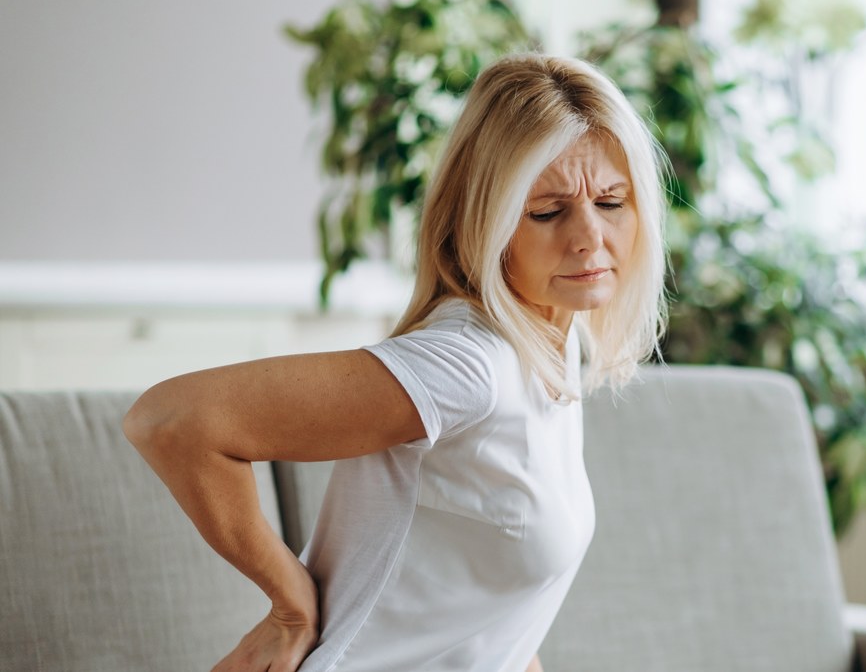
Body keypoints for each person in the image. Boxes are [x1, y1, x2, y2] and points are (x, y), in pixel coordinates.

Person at [123, 52, 668, 672]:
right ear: (483, 220)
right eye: (547, 211)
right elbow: (170, 421)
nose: (589, 238)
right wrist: (292, 603)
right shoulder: (466, 365)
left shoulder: (554, 338)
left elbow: (489, 606)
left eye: (612, 201)